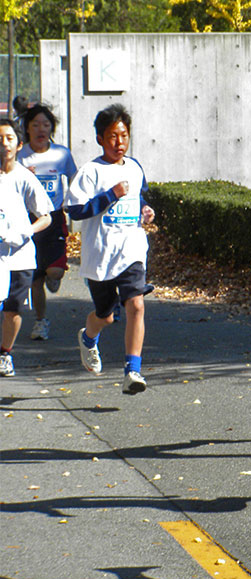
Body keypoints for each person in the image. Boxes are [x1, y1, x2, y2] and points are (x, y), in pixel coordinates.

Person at [64, 104, 155, 395]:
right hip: (100, 255)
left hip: (131, 250)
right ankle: (89, 337)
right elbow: (75, 209)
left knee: (137, 305)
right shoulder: (91, 172)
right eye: (113, 136)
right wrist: (109, 196)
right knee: (105, 316)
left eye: (124, 135)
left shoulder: (135, 167)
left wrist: (145, 209)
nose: (119, 142)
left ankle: (133, 371)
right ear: (100, 139)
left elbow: (138, 198)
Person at [16, 104, 77, 342]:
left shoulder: (61, 154)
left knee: (54, 271)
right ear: (27, 129)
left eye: (46, 124)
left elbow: (75, 179)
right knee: (36, 277)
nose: (41, 129)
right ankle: (41, 321)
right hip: (28, 218)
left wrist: (74, 203)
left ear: (52, 127)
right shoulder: (20, 156)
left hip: (53, 218)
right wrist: (24, 175)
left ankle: (55, 276)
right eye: (35, 125)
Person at [0, 118, 53, 377]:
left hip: (20, 257)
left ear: (19, 144)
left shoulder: (24, 177)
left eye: (9, 138)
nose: (4, 144)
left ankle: (5, 354)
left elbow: (46, 216)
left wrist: (26, 231)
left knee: (13, 310)